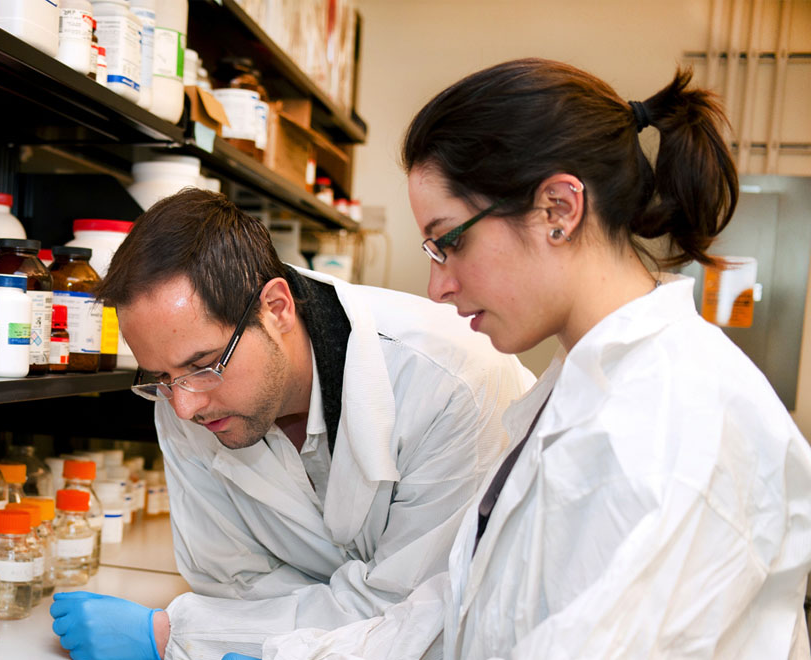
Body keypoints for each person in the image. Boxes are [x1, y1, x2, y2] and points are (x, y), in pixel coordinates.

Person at [261, 59, 811, 660]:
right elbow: (463, 613)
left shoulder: (672, 421)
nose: (437, 287)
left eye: (450, 242)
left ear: (558, 209)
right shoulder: (575, 391)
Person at [48, 187, 536, 660]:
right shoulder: (183, 393)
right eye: (160, 377)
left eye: (204, 365)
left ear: (277, 307)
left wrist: (181, 635)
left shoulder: (452, 383)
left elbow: (411, 616)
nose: (184, 408)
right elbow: (231, 585)